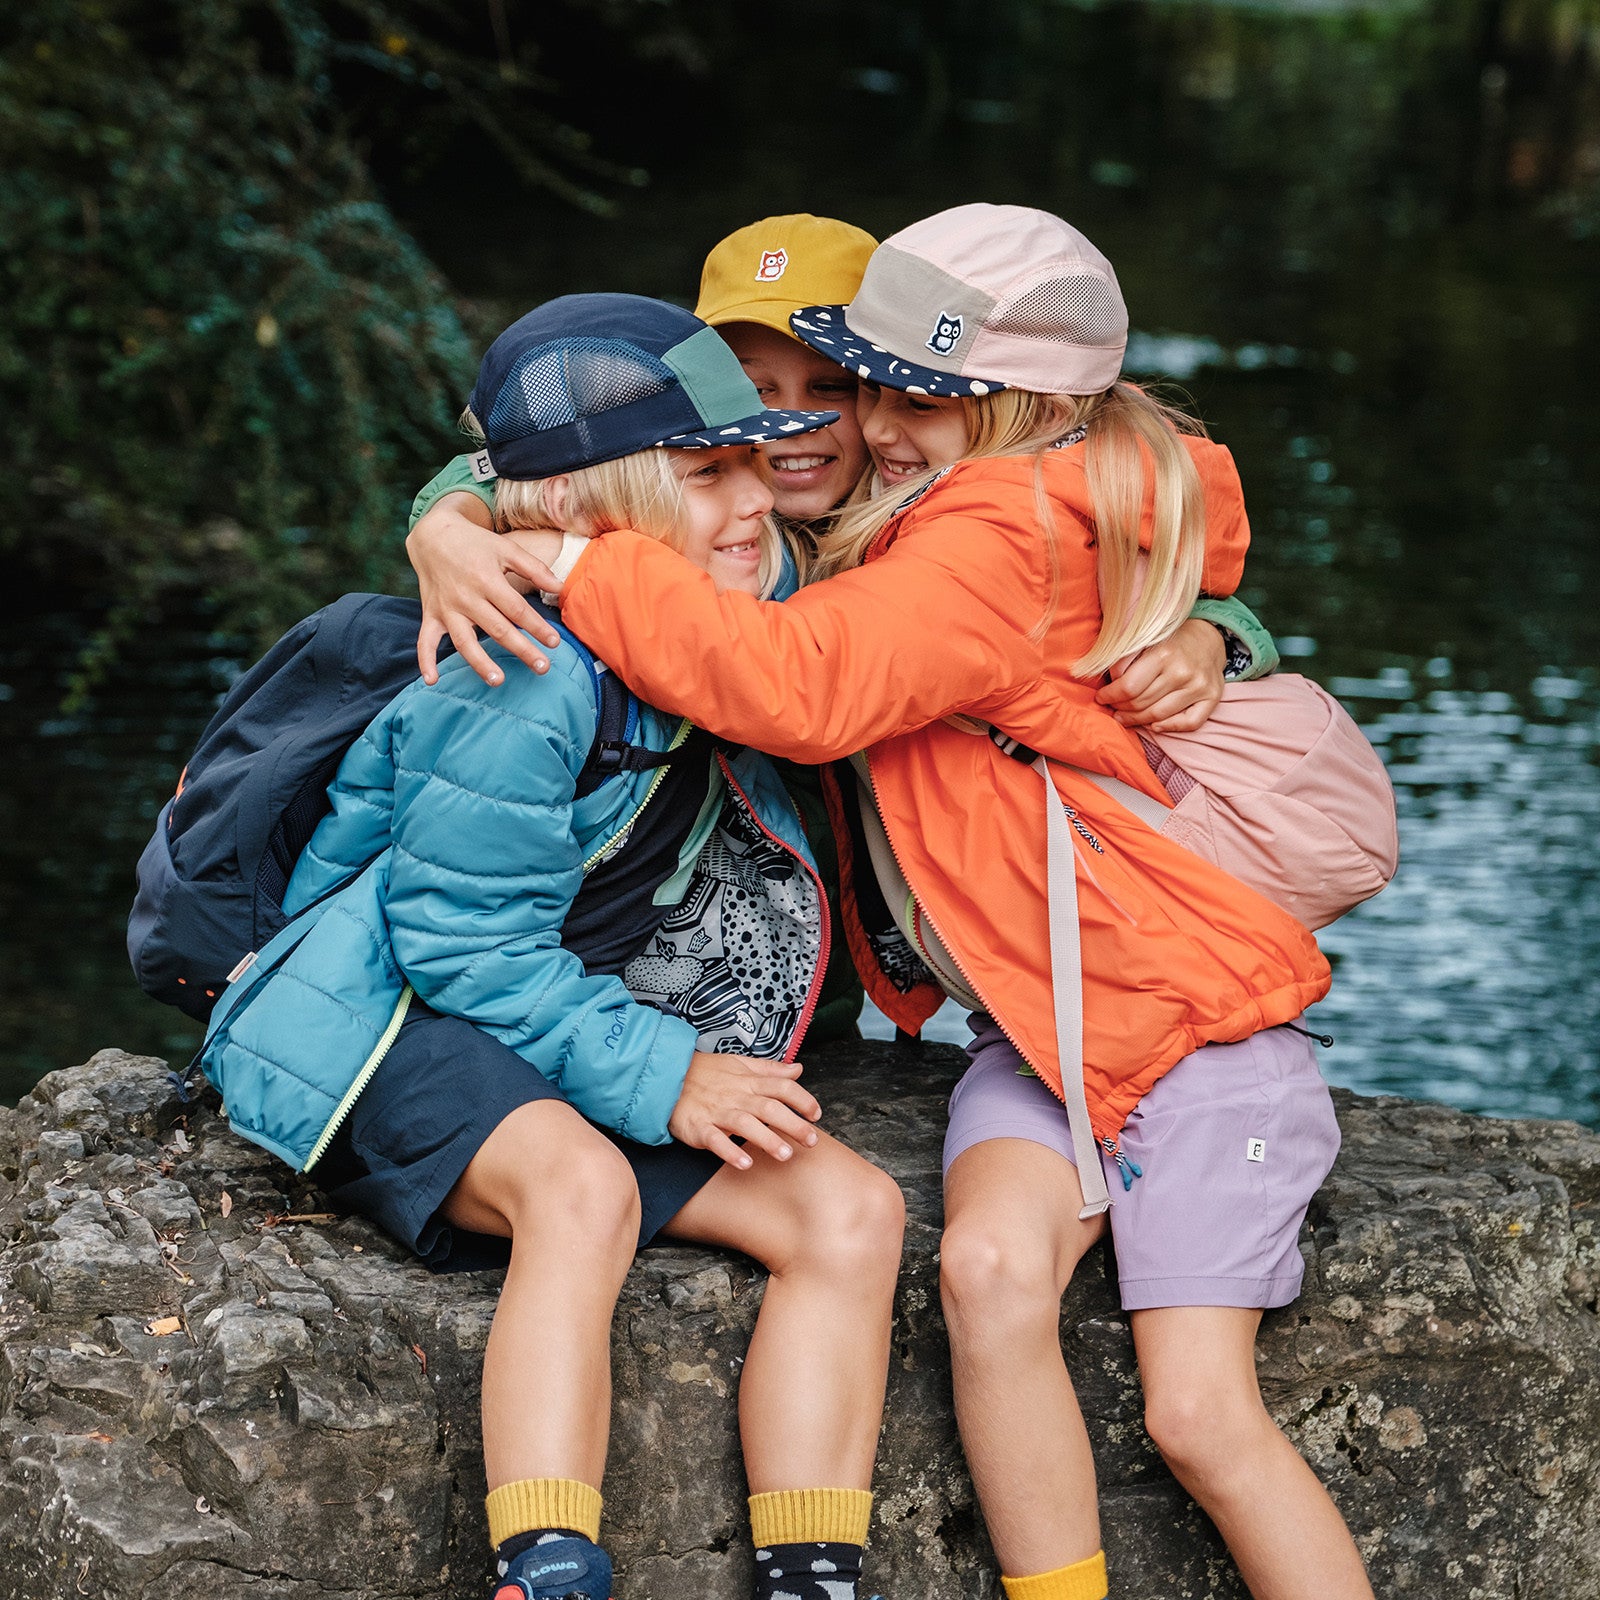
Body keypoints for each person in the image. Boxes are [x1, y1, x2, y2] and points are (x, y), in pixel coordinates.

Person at [507, 207, 1374, 1600]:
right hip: (1039, 1033)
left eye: (916, 394)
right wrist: (456, 518)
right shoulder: (1004, 489)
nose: (879, 422)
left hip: (1181, 1029)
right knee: (980, 1274)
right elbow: (538, 442)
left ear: (1022, 401)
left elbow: (799, 690)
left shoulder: (981, 533)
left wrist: (578, 563)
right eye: (881, 384)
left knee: (1200, 1413)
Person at [199, 294, 906, 1600]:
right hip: (393, 1020)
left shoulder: (732, 582)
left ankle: (815, 1578)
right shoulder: (521, 668)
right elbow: (457, 948)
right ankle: (549, 1571)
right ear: (599, 510)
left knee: (852, 1212)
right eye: (707, 473)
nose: (757, 498)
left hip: (549, 1010)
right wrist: (665, 1075)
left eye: (758, 460)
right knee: (576, 1193)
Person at [404, 215, 1281, 1046]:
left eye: (838, 387)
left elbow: (1109, 550)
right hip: (629, 930)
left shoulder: (937, 523)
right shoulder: (665, 502)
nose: (800, 425)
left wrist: (1216, 632)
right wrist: (447, 517)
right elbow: (541, 449)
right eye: (754, 396)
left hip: (827, 931)